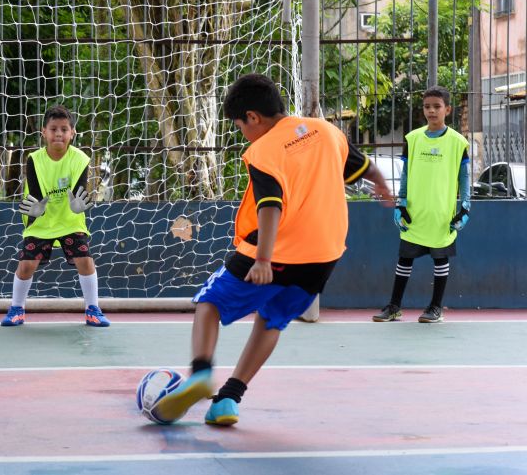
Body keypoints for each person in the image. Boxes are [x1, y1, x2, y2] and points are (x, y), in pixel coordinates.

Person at [153, 73, 393, 426]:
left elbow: (270, 204)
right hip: (325, 254)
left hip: (277, 250)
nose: (242, 134)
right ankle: (228, 400)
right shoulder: (326, 131)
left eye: (239, 126)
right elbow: (364, 167)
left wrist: (263, 258)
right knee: (272, 319)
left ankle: (201, 372)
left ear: (253, 117)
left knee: (208, 304)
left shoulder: (264, 150)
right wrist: (383, 187)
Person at [1, 105, 111, 327]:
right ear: (44, 132)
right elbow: (35, 194)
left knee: (85, 260)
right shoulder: (34, 159)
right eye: (53, 129)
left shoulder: (80, 159)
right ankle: (16, 309)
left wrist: (79, 206)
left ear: (72, 133)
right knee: (26, 265)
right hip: (41, 220)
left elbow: (79, 193)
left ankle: (93, 309)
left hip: (70, 220)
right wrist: (35, 213)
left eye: (64, 129)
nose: (58, 133)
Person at [373, 86, 471, 323]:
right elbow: (406, 173)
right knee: (404, 260)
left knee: (440, 260)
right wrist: (401, 203)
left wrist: (465, 208)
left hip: (441, 214)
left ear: (447, 109)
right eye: (427, 106)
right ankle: (394, 306)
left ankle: (435, 307)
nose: (431, 111)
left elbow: (464, 176)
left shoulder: (459, 142)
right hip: (415, 213)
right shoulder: (413, 138)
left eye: (437, 106)